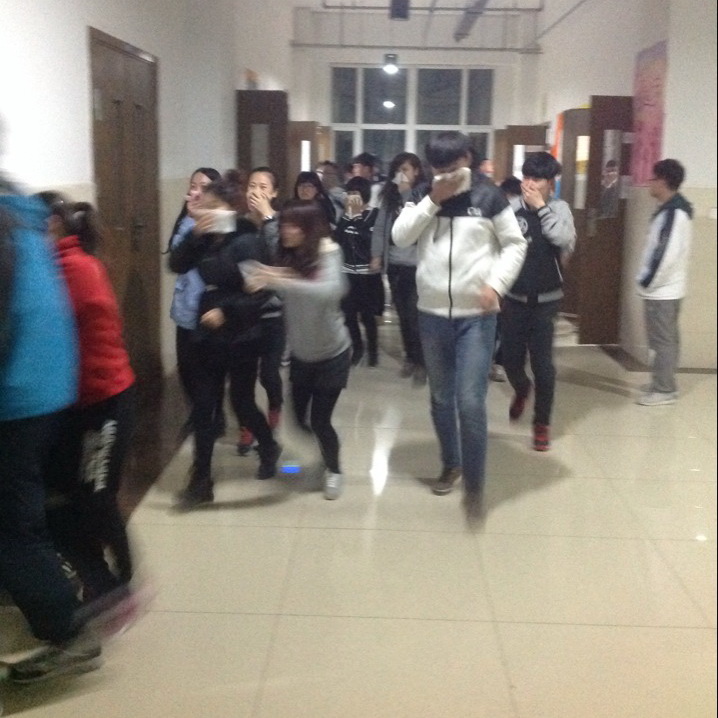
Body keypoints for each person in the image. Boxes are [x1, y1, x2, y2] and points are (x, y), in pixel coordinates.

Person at [392, 131, 527, 517]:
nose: (444, 175)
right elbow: (400, 238)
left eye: (451, 167)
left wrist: (496, 284)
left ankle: (475, 485)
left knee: (470, 401)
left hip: (477, 318)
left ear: (467, 158)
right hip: (431, 314)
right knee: (440, 398)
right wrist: (433, 200)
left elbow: (515, 244)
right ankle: (451, 463)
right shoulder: (424, 193)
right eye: (437, 168)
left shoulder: (489, 196)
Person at [0, 179, 101, 682]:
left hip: (17, 395)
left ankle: (67, 633)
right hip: (49, 386)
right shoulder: (23, 218)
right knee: (25, 507)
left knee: (11, 527)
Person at [37, 193, 138, 601]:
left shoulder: (74, 269)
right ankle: (98, 580)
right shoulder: (57, 266)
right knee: (67, 498)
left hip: (104, 402)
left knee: (96, 496)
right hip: (75, 405)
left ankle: (125, 581)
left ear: (53, 226)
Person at [169, 170, 281, 509]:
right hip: (207, 333)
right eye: (204, 206)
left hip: (242, 334)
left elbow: (262, 293)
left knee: (241, 402)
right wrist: (193, 235)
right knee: (204, 406)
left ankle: (268, 445)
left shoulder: (246, 240)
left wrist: (227, 311)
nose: (205, 212)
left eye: (212, 207)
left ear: (230, 210)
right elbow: (177, 264)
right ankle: (201, 480)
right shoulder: (204, 238)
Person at [244, 200, 351, 500]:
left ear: (309, 228)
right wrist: (264, 276)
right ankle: (327, 448)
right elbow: (278, 281)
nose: (285, 231)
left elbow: (329, 290)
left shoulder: (329, 252)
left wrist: (282, 279)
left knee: (320, 420)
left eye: (292, 226)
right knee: (297, 420)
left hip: (332, 354)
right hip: (302, 356)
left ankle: (334, 469)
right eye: (284, 224)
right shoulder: (289, 256)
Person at [500, 152, 576, 451]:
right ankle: (522, 388)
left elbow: (563, 239)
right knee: (510, 361)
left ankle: (541, 423)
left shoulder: (559, 209)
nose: (529, 184)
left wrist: (541, 208)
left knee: (543, 365)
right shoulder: (511, 209)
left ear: (550, 183)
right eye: (526, 177)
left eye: (537, 179)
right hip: (514, 298)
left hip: (546, 300)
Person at [167, 167, 224, 440]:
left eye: (205, 186)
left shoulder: (220, 224)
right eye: (193, 185)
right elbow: (176, 259)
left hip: (210, 311)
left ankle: (211, 418)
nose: (197, 191)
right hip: (185, 308)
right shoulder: (187, 221)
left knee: (209, 373)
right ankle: (202, 414)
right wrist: (191, 220)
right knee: (186, 370)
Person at [235, 166, 285, 456]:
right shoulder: (239, 225)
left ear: (274, 193)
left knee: (268, 373)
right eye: (252, 186)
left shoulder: (280, 223)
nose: (256, 192)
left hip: (273, 313)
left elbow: (280, 259)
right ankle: (248, 425)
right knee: (243, 378)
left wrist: (267, 218)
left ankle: (275, 406)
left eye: (263, 187)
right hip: (243, 313)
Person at [635, 158, 693, 406]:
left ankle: (664, 390)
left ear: (664, 181)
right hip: (665, 289)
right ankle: (663, 382)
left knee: (663, 341)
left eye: (653, 178)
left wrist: (646, 282)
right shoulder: (669, 210)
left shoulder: (673, 214)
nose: (650, 183)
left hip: (663, 291)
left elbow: (664, 256)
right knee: (665, 340)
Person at [371, 151, 427, 385]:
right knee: (402, 315)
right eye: (398, 170)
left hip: (417, 265)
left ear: (416, 171)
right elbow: (380, 228)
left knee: (415, 316)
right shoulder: (389, 198)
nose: (401, 174)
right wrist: (376, 255)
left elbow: (416, 222)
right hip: (395, 264)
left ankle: (422, 361)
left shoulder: (423, 195)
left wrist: (405, 194)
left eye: (406, 169)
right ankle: (410, 357)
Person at [334, 176, 382, 367]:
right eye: (350, 193)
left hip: (367, 274)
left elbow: (371, 240)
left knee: (368, 316)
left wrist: (357, 218)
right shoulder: (345, 216)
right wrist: (347, 217)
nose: (352, 197)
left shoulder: (374, 215)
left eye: (356, 194)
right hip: (347, 272)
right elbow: (337, 239)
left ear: (364, 195)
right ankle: (358, 348)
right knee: (349, 314)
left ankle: (373, 351)